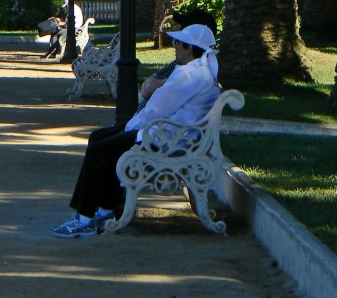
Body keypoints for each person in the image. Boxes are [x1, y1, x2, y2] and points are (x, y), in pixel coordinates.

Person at [51, 24, 220, 238]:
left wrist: (129, 127)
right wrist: (128, 128)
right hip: (170, 134)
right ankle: (104, 209)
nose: (174, 45)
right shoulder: (198, 71)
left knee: (101, 149)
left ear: (189, 48)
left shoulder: (190, 75)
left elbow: (158, 109)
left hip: (163, 139)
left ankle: (85, 218)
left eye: (178, 42)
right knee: (99, 138)